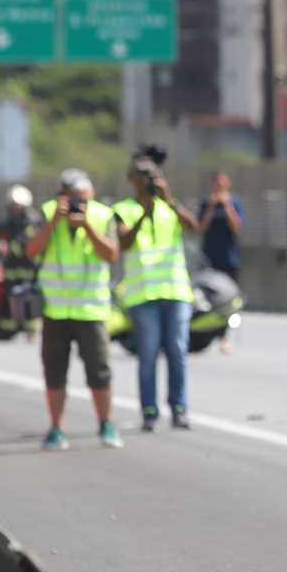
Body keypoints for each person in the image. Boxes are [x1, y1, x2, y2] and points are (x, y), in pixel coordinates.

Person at [27, 170, 123, 451]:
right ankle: (56, 428)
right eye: (74, 199)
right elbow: (32, 250)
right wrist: (55, 221)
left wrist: (87, 227)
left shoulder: (103, 216)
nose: (79, 205)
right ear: (62, 197)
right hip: (55, 311)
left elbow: (112, 254)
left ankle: (106, 424)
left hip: (90, 310)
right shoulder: (47, 214)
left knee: (99, 371)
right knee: (54, 372)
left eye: (84, 199)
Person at [113, 148, 199, 432]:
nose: (148, 180)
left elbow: (194, 228)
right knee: (148, 354)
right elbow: (123, 244)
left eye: (153, 175)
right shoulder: (124, 209)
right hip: (143, 294)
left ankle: (179, 408)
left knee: (177, 350)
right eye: (142, 176)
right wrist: (143, 215)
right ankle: (149, 410)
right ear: (131, 180)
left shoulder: (169, 207)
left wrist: (169, 201)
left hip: (175, 291)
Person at [197, 171, 244, 354]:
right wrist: (210, 207)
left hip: (230, 258)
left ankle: (226, 336)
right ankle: (210, 333)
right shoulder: (206, 203)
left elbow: (237, 227)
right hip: (210, 258)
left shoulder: (234, 202)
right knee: (209, 300)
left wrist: (227, 206)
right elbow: (200, 228)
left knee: (230, 300)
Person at [0, 184, 44, 340]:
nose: (15, 209)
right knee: (10, 300)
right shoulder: (5, 225)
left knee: (30, 299)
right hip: (11, 271)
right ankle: (8, 330)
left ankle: (31, 331)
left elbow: (30, 245)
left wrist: (14, 246)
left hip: (29, 270)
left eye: (18, 206)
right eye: (12, 206)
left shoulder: (34, 224)